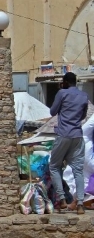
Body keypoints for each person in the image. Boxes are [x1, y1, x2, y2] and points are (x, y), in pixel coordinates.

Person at [49, 72, 88, 214]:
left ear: (65, 82)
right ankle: (80, 204)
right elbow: (83, 116)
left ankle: (62, 199)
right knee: (78, 170)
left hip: (63, 134)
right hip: (77, 135)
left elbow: (52, 111)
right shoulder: (84, 96)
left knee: (54, 166)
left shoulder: (62, 93)